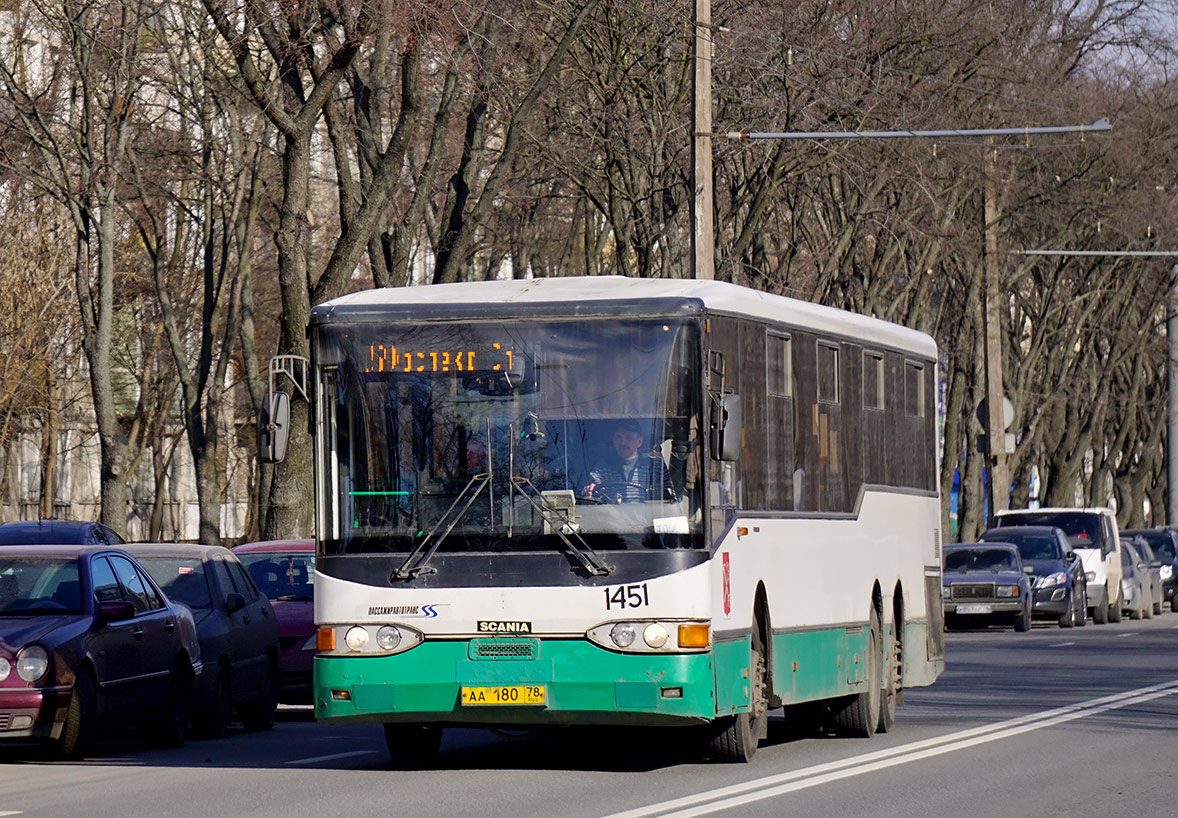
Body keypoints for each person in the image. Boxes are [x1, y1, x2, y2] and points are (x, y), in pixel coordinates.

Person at [582, 419, 676, 503]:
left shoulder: (655, 467)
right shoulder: (603, 468)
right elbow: (592, 483)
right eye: (618, 437)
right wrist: (590, 488)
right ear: (613, 440)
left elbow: (669, 498)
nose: (623, 443)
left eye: (628, 437)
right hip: (612, 518)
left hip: (645, 519)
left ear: (639, 442)